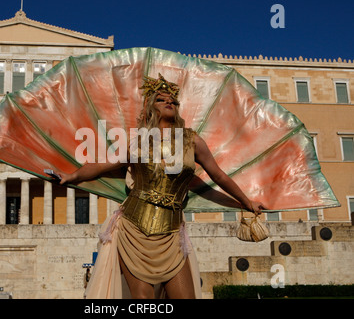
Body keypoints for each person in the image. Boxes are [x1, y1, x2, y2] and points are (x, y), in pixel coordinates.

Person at [58, 74, 266, 299]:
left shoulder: (192, 140)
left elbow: (219, 175)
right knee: (143, 301)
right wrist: (71, 176)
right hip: (134, 230)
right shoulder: (138, 141)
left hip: (171, 233)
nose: (170, 102)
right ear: (150, 107)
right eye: (161, 99)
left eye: (173, 101)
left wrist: (247, 201)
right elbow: (102, 166)